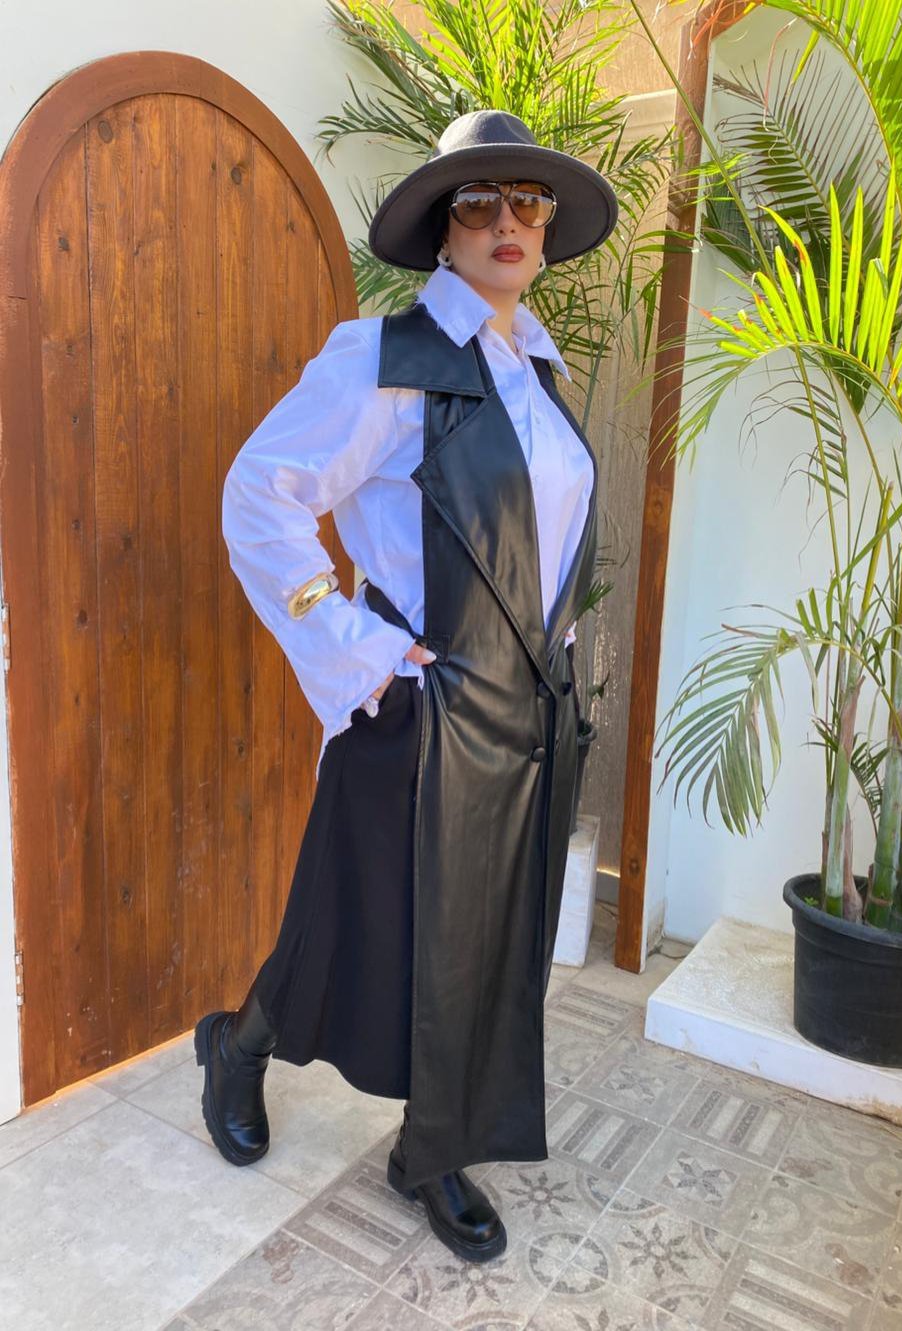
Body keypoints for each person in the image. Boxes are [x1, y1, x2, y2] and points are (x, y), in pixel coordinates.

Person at [194, 108, 618, 1264]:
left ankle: (429, 1149)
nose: (508, 221)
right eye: (480, 201)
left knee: (484, 937)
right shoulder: (385, 358)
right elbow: (261, 494)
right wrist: (355, 644)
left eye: (528, 201)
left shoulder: (538, 370)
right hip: (420, 709)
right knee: (352, 915)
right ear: (442, 226)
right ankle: (238, 1043)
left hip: (525, 714)